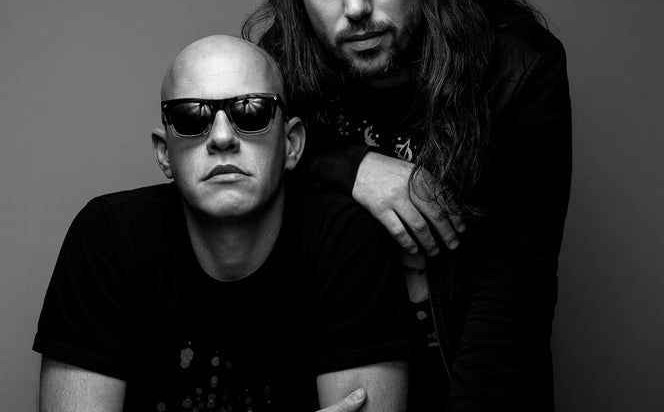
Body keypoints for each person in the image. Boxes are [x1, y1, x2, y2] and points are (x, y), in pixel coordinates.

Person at [244, 0, 572, 411]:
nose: (355, 7)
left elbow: (515, 284)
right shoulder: (282, 62)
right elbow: (247, 175)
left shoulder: (516, 68)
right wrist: (354, 168)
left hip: (471, 378)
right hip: (334, 379)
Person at [33, 36, 414, 412]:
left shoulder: (344, 238)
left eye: (252, 111)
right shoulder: (109, 236)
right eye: (190, 117)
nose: (221, 137)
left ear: (292, 143)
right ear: (164, 154)